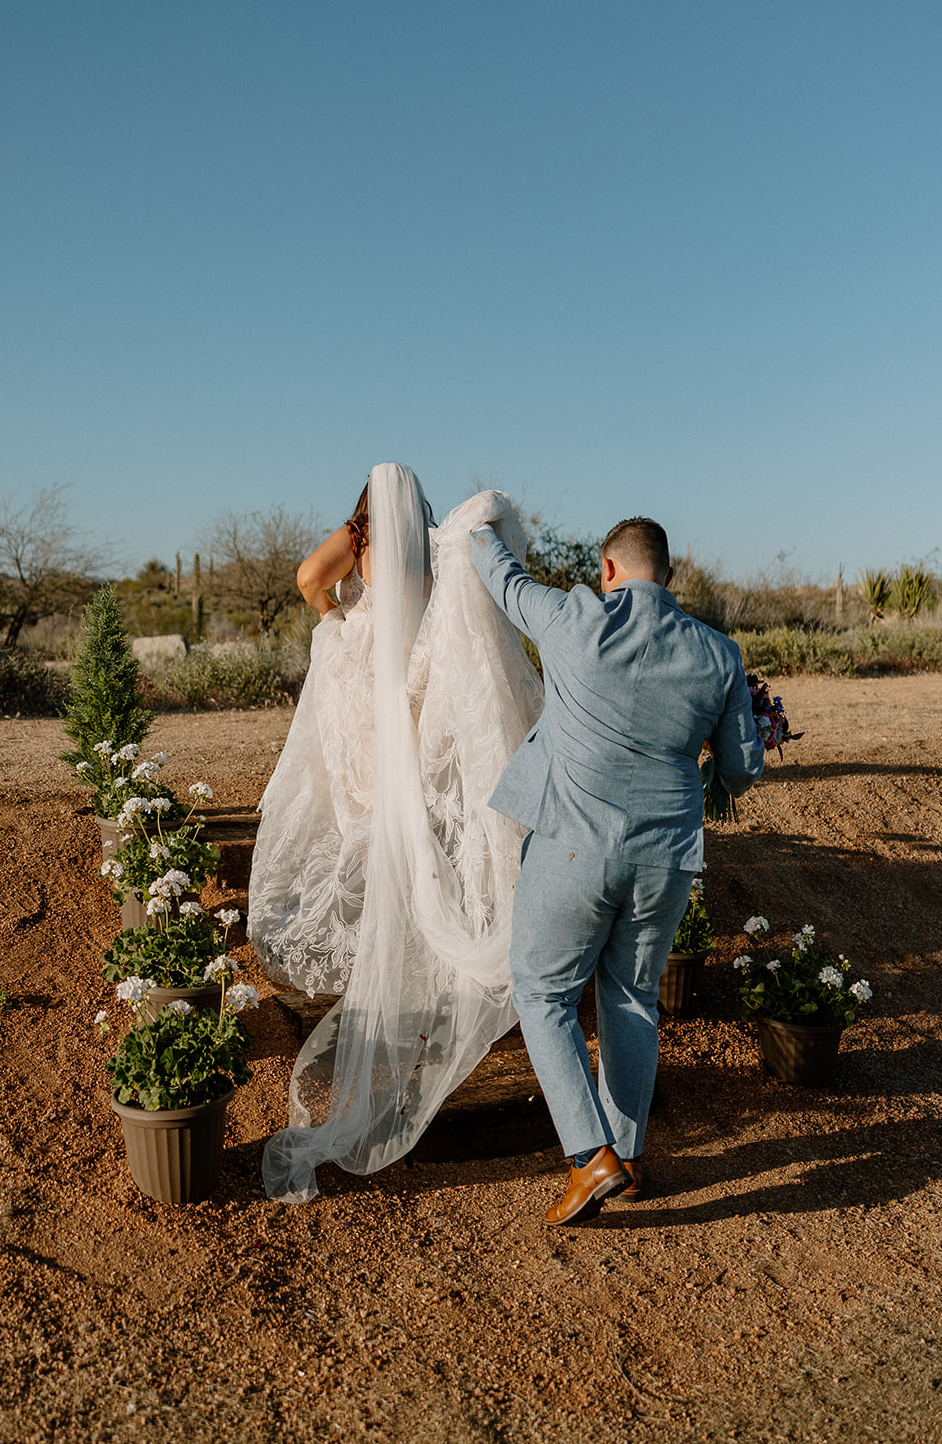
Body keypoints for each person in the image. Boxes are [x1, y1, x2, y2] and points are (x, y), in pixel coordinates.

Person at [251, 463, 544, 1201]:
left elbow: (304, 577)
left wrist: (335, 613)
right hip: (410, 683)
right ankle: (416, 920)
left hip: (363, 677)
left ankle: (378, 922)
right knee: (413, 808)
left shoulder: (360, 537)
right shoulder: (433, 547)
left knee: (359, 805)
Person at [470, 514, 764, 1226]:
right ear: (671, 574)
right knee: (631, 999)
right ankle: (626, 1163)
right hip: (664, 858)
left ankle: (587, 1157)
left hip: (572, 846)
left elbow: (502, 579)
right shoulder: (718, 654)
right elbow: (740, 768)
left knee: (542, 996)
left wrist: (475, 528)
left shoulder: (573, 619)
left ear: (606, 571)